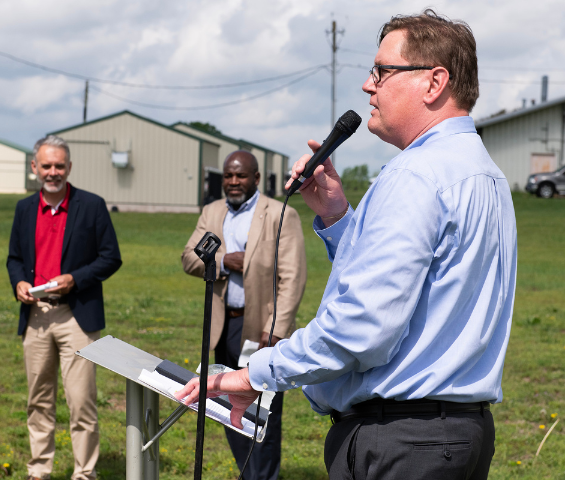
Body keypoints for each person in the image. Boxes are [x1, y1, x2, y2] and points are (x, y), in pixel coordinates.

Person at [176, 10, 518, 479]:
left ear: (434, 82)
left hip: (401, 440)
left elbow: (362, 327)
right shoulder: (485, 174)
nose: (367, 85)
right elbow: (423, 287)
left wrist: (255, 373)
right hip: (456, 435)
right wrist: (337, 217)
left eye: (382, 71)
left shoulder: (414, 175)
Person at [181, 150, 307, 480]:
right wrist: (223, 261)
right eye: (228, 176)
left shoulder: (280, 214)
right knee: (227, 407)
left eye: (240, 176)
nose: (233, 182)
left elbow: (292, 276)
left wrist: (276, 329)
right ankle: (248, 474)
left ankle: (263, 476)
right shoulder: (212, 212)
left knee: (261, 412)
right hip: (225, 327)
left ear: (256, 179)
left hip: (262, 330)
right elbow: (189, 258)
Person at [7, 135, 122, 480]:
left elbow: (111, 258)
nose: (53, 172)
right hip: (37, 315)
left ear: (69, 167)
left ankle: (84, 472)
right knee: (38, 398)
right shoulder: (24, 208)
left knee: (81, 400)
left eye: (59, 166)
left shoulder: (91, 205)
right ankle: (39, 469)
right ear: (34, 168)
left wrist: (76, 278)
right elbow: (14, 258)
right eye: (46, 166)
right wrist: (18, 283)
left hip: (77, 315)